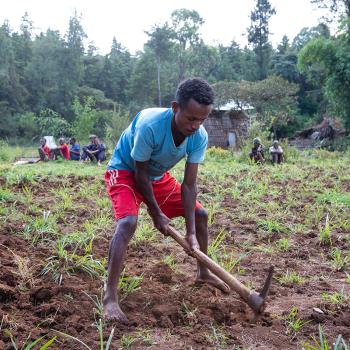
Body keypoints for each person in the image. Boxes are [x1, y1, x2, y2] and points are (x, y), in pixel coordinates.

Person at [103, 78, 230, 323]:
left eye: (202, 119)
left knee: (200, 215)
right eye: (191, 118)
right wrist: (155, 212)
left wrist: (190, 232)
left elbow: (189, 185)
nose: (195, 125)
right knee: (127, 223)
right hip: (126, 171)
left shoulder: (199, 136)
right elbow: (140, 174)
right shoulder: (150, 125)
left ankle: (203, 272)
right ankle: (110, 297)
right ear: (175, 107)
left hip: (157, 177)